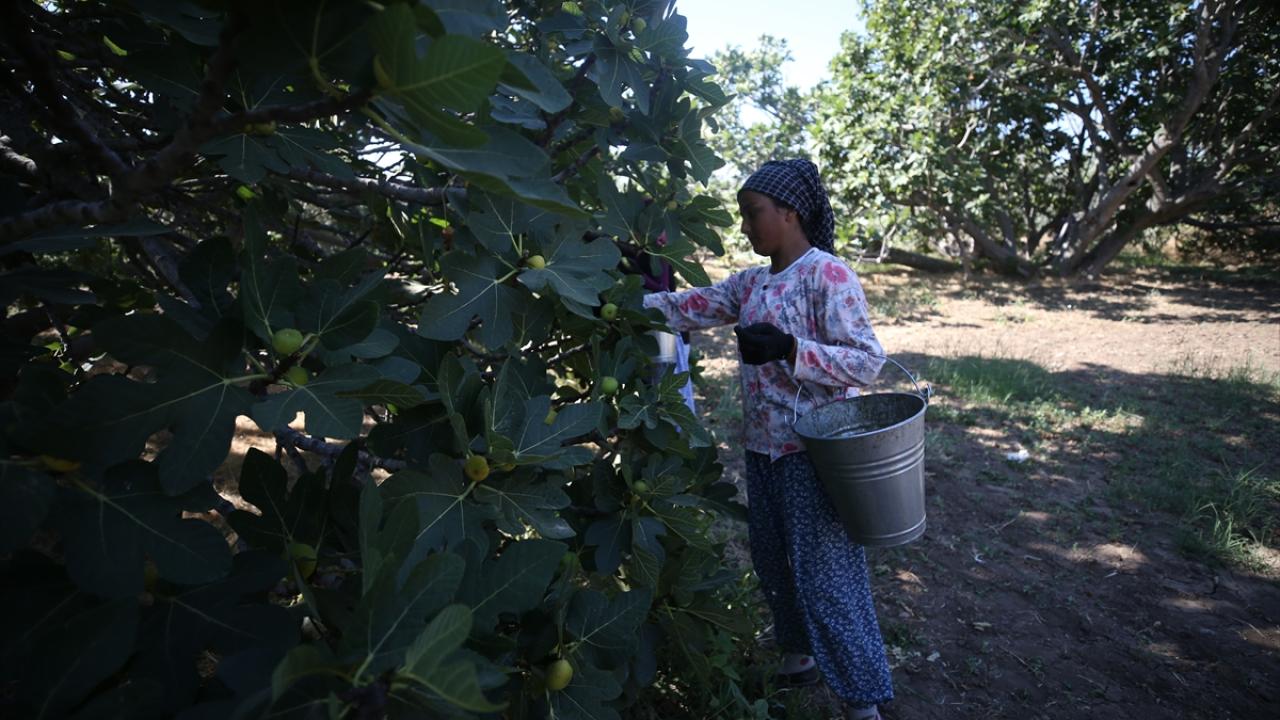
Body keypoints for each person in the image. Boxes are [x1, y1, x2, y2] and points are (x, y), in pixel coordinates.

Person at [641, 159, 893, 720]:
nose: (746, 226)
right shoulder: (752, 283)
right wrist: (622, 296)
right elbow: (692, 306)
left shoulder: (828, 276)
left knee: (826, 576)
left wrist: (789, 349)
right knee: (775, 563)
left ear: (789, 213)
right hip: (763, 449)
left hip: (815, 454)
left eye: (753, 213)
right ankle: (799, 658)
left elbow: (867, 362)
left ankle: (863, 701)